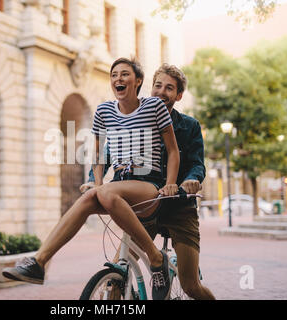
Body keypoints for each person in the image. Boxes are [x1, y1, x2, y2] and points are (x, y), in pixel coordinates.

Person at [2, 58, 181, 300]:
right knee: (91, 196)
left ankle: (156, 258)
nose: (118, 78)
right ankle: (39, 262)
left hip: (149, 187)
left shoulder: (154, 107)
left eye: (125, 74)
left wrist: (170, 183)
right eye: (114, 74)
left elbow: (172, 150)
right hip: (120, 187)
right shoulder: (104, 111)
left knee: (105, 191)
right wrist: (96, 185)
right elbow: (98, 154)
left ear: (138, 81)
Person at [84, 64, 216, 300]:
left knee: (190, 285)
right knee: (116, 276)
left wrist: (190, 181)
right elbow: (107, 154)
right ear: (150, 87)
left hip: (179, 207)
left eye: (169, 88)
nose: (162, 92)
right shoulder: (135, 116)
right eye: (158, 85)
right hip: (145, 207)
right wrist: (93, 180)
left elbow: (197, 164)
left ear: (178, 96)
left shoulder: (190, 126)